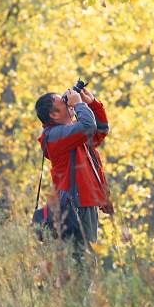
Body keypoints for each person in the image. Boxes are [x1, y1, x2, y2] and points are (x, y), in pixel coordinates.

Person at [34, 87, 113, 252]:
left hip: (86, 202)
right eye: (63, 102)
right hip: (76, 205)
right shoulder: (55, 136)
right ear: (54, 115)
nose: (68, 103)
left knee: (86, 260)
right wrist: (78, 104)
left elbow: (101, 130)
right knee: (83, 261)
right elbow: (88, 126)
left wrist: (92, 104)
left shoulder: (71, 135)